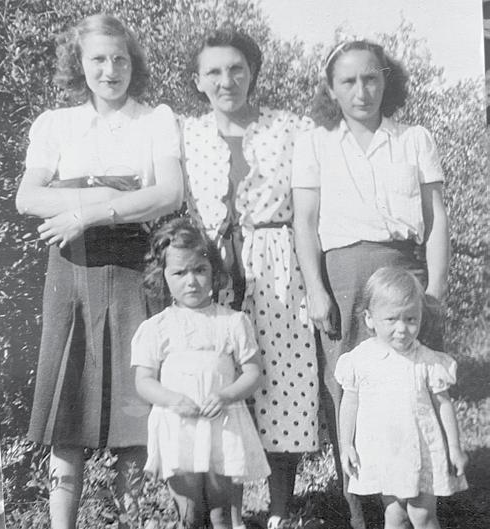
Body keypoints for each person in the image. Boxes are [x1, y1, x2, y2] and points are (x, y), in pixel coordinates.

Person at [15, 14, 183, 529]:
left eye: (120, 59)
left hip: (135, 264)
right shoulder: (55, 123)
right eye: (98, 59)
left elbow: (168, 194)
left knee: (134, 408)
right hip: (71, 267)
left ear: (134, 62)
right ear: (79, 63)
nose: (110, 71)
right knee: (68, 408)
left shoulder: (155, 119)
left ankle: (131, 519)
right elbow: (28, 197)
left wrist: (87, 212)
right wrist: (112, 196)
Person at [292, 40, 450, 529]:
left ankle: (420, 507)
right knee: (351, 392)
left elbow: (436, 221)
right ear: (331, 89)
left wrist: (435, 292)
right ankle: (365, 514)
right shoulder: (314, 142)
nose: (361, 91)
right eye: (348, 81)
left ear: (386, 80)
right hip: (343, 278)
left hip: (406, 277)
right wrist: (316, 289)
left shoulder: (415, 139)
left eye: (371, 78)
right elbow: (305, 222)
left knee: (413, 387)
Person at [182, 27, 321, 528]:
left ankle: (280, 511)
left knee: (285, 382)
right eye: (214, 71)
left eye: (237, 68)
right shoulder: (186, 133)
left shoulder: (292, 128)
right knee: (222, 381)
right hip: (214, 268)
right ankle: (232, 513)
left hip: (280, 267)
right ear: (198, 80)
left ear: (253, 72)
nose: (227, 80)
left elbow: (309, 210)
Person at [131, 217, 270, 529]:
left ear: (214, 271)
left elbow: (252, 373)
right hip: (178, 425)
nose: (191, 281)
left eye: (199, 270)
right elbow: (144, 381)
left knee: (222, 513)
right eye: (179, 273)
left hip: (223, 424)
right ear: (162, 275)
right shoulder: (156, 328)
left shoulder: (232, 322)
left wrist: (225, 395)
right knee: (190, 512)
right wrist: (171, 399)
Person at [335, 266, 467, 529]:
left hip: (421, 450)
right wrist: (346, 444)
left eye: (410, 319)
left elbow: (443, 403)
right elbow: (350, 402)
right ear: (370, 319)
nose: (402, 328)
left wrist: (454, 447)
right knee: (396, 515)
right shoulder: (360, 360)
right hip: (385, 450)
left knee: (422, 514)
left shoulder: (427, 360)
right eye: (391, 319)